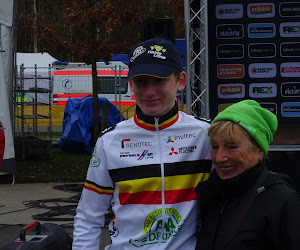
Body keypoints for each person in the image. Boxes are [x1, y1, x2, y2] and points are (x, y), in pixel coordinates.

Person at [72, 38, 212, 249]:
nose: (149, 92)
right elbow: (88, 216)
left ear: (180, 81)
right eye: (141, 82)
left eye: (159, 81)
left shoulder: (206, 134)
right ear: (130, 84)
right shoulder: (109, 141)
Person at [195, 100, 300, 250]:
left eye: (232, 147)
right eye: (215, 147)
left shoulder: (283, 200)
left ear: (259, 150)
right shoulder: (212, 194)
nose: (219, 157)